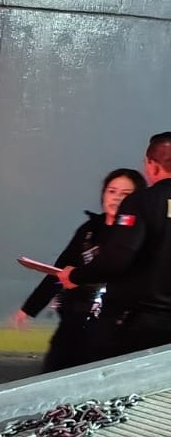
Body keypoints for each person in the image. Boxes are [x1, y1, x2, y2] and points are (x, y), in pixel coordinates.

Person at [13, 168, 146, 372]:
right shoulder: (90, 229)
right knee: (56, 369)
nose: (116, 198)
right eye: (112, 191)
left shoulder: (135, 233)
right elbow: (59, 270)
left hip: (112, 322)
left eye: (125, 194)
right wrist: (30, 308)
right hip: (74, 317)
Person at [57, 132, 171, 359]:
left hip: (138, 322)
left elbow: (117, 259)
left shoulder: (141, 202)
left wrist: (76, 276)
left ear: (151, 165)